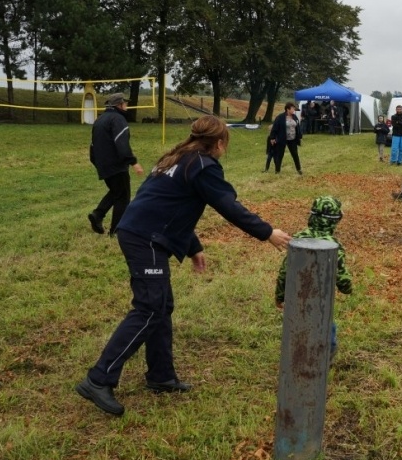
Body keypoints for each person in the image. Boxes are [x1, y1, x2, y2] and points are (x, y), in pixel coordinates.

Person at [75, 115, 292, 416]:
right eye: (224, 144)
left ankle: (161, 376)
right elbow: (228, 206)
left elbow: (169, 204)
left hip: (140, 232)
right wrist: (267, 232)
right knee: (150, 307)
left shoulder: (178, 158)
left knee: (161, 306)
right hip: (144, 239)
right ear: (218, 143)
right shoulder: (203, 166)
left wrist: (193, 247)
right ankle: (98, 378)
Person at [274, 196, 352, 363]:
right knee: (326, 327)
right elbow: (342, 276)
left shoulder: (298, 238)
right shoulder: (333, 245)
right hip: (321, 300)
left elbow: (284, 270)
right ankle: (325, 355)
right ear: (336, 221)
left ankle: (297, 355)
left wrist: (280, 295)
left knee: (298, 325)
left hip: (297, 297)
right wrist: (347, 287)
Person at [88, 93, 144, 236]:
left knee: (116, 192)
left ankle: (98, 215)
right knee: (123, 196)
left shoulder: (100, 120)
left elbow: (92, 146)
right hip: (116, 165)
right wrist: (133, 162)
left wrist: (98, 163)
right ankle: (117, 230)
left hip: (102, 164)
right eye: (125, 103)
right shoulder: (118, 119)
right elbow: (121, 143)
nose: (126, 105)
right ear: (119, 104)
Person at [271, 102, 303, 175]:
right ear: (288, 109)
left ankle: (299, 169)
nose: (294, 110)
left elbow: (298, 127)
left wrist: (299, 136)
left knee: (295, 154)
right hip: (283, 138)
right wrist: (272, 137)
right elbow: (275, 127)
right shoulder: (280, 117)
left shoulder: (294, 116)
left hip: (293, 139)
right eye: (292, 108)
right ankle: (277, 170)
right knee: (280, 155)